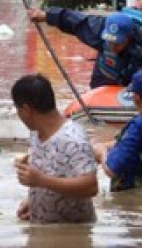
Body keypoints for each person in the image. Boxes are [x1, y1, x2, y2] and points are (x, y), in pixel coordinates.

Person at [11, 74, 98, 223]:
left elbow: (91, 186)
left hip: (72, 233)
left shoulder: (73, 139)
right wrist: (33, 200)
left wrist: (41, 181)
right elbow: (49, 173)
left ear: (26, 110)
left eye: (17, 109)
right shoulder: (36, 132)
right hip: (43, 231)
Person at [27, 8, 142, 88]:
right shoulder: (98, 29)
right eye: (110, 42)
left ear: (129, 37)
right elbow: (73, 20)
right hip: (107, 71)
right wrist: (46, 15)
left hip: (136, 68)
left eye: (118, 43)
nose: (113, 46)